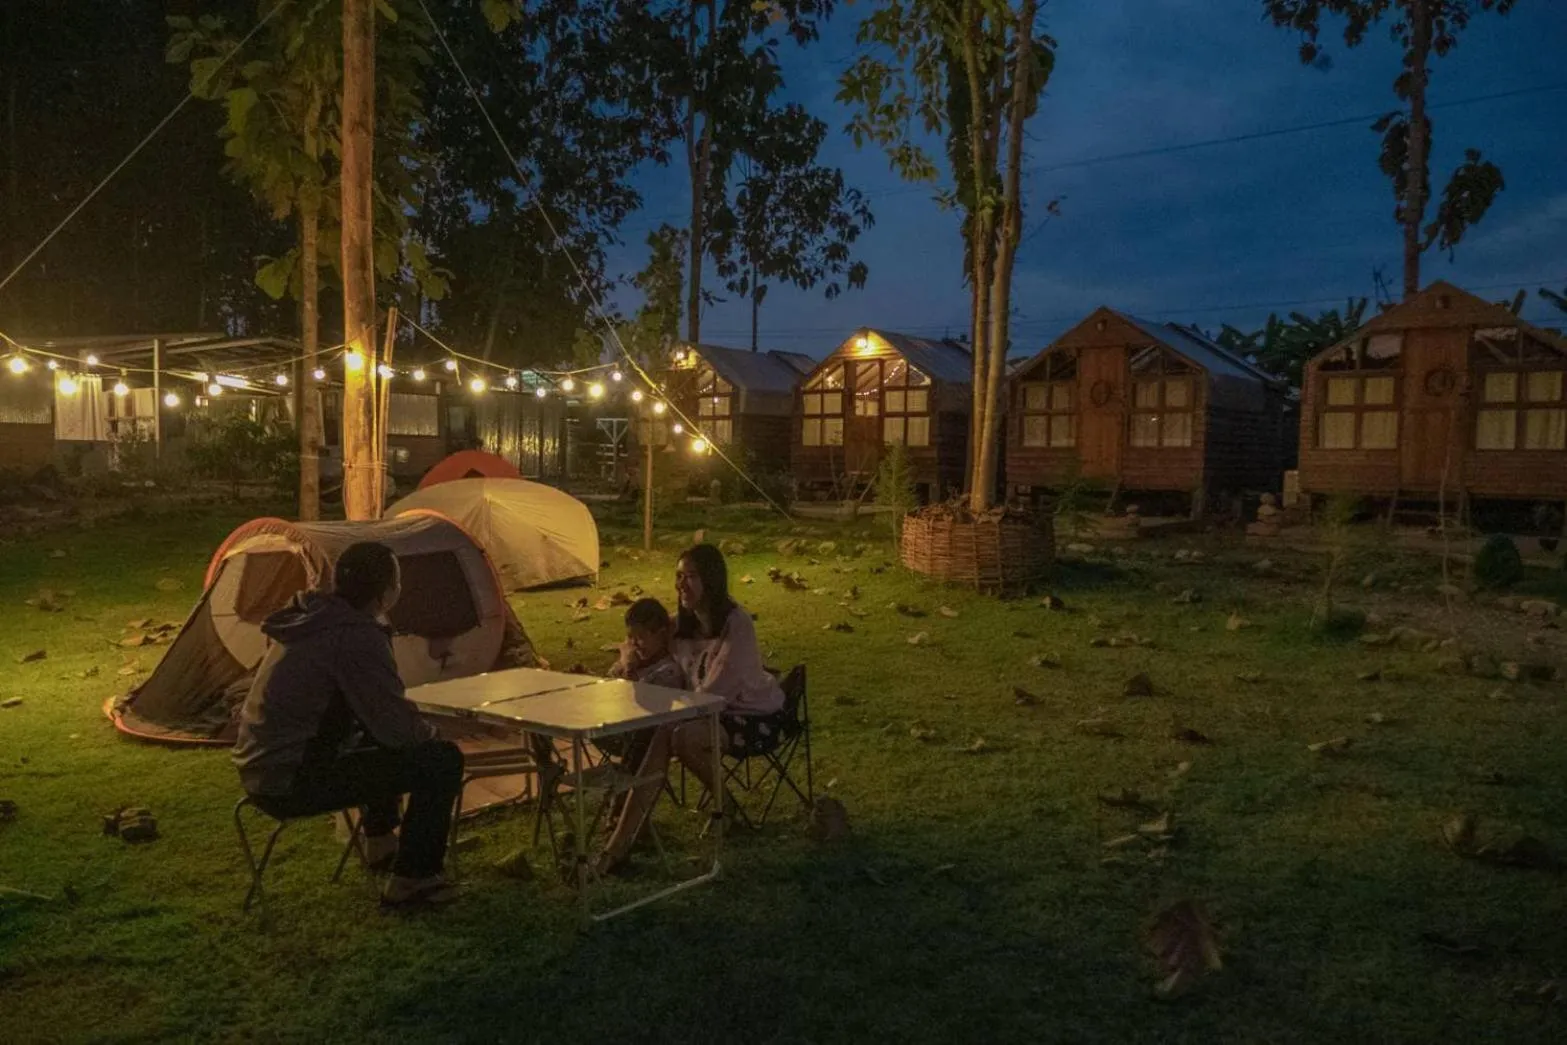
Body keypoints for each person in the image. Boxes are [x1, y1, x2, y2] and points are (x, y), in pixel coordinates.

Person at [232, 541, 465, 908]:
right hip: (290, 779)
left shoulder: (314, 618)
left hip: (262, 766)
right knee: (440, 761)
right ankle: (413, 879)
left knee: (377, 741)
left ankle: (380, 844)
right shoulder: (354, 635)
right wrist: (434, 734)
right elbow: (395, 724)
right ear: (386, 591)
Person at [591, 545, 781, 874]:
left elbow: (715, 694)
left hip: (751, 715)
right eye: (678, 576)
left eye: (690, 576)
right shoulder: (679, 624)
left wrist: (669, 710)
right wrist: (628, 660)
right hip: (703, 712)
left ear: (711, 580)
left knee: (678, 735)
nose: (681, 585)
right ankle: (620, 843)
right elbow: (635, 641)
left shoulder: (736, 625)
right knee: (668, 732)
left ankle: (725, 809)